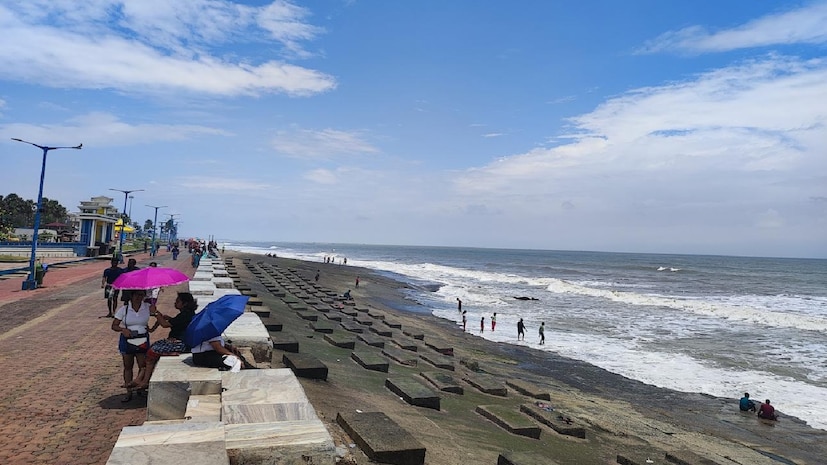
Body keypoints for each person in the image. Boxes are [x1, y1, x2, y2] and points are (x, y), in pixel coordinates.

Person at [132, 292, 198, 389]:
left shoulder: (185, 315)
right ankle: (140, 378)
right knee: (152, 348)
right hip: (176, 341)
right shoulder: (185, 314)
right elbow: (175, 323)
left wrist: (156, 313)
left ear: (185, 304)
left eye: (178, 301)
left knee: (152, 352)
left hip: (179, 344)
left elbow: (165, 324)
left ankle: (145, 381)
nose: (175, 303)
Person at [111, 289, 152, 402]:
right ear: (131, 296)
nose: (139, 298)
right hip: (127, 339)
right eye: (136, 295)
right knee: (128, 366)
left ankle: (140, 389)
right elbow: (114, 325)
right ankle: (128, 391)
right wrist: (123, 329)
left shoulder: (147, 307)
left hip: (142, 339)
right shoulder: (124, 309)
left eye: (141, 295)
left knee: (142, 365)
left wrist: (156, 313)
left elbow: (161, 319)